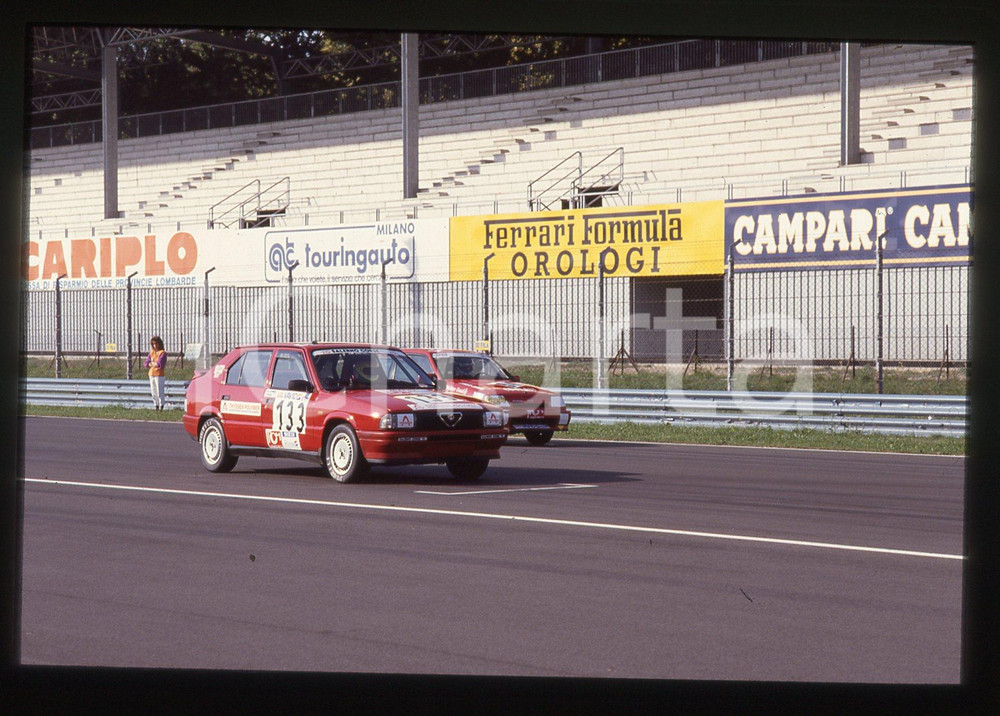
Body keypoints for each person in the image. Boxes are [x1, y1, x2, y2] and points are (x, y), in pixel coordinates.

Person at [144, 336, 167, 410]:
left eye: (156, 343)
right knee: (153, 391)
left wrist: (152, 363)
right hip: (151, 374)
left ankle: (161, 405)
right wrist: (152, 363)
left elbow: (160, 364)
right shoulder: (151, 352)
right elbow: (146, 363)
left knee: (159, 391)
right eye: (153, 344)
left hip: (159, 375)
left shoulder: (162, 353)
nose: (155, 345)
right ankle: (156, 405)